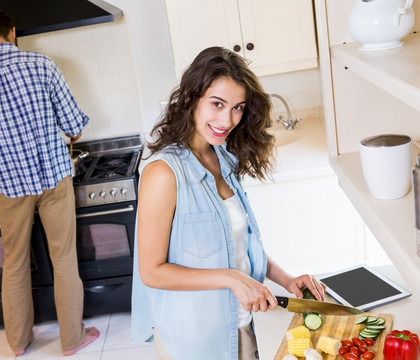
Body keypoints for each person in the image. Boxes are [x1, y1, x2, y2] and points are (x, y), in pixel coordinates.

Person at [130, 46, 327, 360]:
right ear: (191, 99)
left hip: (239, 323)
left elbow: (237, 243)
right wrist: (230, 278)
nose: (228, 119)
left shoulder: (222, 156)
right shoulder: (163, 174)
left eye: (238, 107)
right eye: (217, 104)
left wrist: (286, 279)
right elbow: (152, 272)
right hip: (193, 339)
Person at [0, 9, 99, 356]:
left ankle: (19, 343)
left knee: (15, 262)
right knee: (63, 259)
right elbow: (74, 126)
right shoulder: (42, 65)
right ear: (13, 32)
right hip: (53, 176)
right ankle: (72, 340)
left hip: (10, 185)